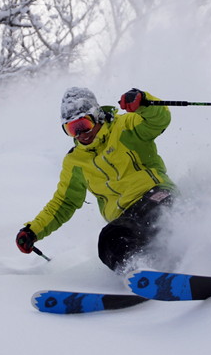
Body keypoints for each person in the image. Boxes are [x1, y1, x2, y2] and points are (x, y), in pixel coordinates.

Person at [15, 87, 177, 272]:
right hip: (124, 218)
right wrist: (33, 230)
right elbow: (64, 202)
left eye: (83, 124)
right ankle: (140, 274)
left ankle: (185, 254)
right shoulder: (75, 162)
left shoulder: (125, 127)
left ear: (96, 116)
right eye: (71, 129)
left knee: (155, 218)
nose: (80, 134)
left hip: (155, 195)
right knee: (111, 239)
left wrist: (143, 102)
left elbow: (160, 120)